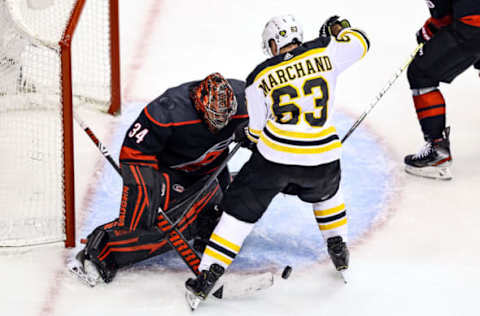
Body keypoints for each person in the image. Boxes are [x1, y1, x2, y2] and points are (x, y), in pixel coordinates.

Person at [184, 14, 370, 306]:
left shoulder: (259, 76)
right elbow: (361, 43)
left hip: (276, 162)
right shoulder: (326, 50)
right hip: (323, 158)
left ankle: (208, 274)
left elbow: (257, 132)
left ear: (273, 43)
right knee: (328, 193)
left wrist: (247, 135)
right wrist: (340, 30)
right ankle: (338, 245)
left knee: (238, 212)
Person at [69, 72, 248, 286]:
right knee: (149, 220)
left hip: (211, 170)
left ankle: (206, 225)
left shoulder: (249, 99)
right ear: (200, 106)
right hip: (171, 170)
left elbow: (275, 121)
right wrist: (144, 187)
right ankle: (101, 248)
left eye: (225, 120)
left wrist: (256, 134)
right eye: (213, 119)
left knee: (229, 206)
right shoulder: (167, 111)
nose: (219, 126)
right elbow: (134, 151)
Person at [404, 0, 480, 180]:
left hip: (474, 26)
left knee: (421, 73)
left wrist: (428, 31)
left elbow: (443, 17)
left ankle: (437, 151)